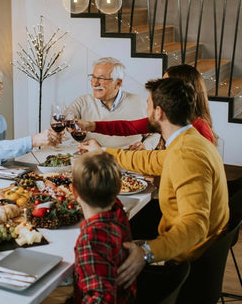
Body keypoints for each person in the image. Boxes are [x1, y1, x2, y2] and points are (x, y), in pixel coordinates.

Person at [78, 77, 229, 287]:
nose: (146, 109)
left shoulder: (187, 155)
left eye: (148, 105)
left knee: (102, 256)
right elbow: (151, 160)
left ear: (159, 112)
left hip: (184, 269)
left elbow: (195, 225)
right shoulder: (190, 140)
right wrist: (102, 151)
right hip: (196, 255)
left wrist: (146, 253)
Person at [78, 64, 216, 145]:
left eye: (164, 84)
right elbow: (128, 127)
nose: (158, 89)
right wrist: (90, 125)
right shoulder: (169, 119)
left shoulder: (199, 130)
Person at [70, 151, 136, 303]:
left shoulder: (91, 239)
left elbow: (101, 298)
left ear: (74, 191)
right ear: (119, 189)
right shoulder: (118, 211)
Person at [66, 57, 160, 150]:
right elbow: (66, 116)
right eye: (93, 77)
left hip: (127, 159)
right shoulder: (82, 102)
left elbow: (156, 131)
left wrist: (146, 146)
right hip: (90, 160)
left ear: (118, 83)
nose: (94, 83)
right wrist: (63, 127)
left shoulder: (141, 103)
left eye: (101, 79)